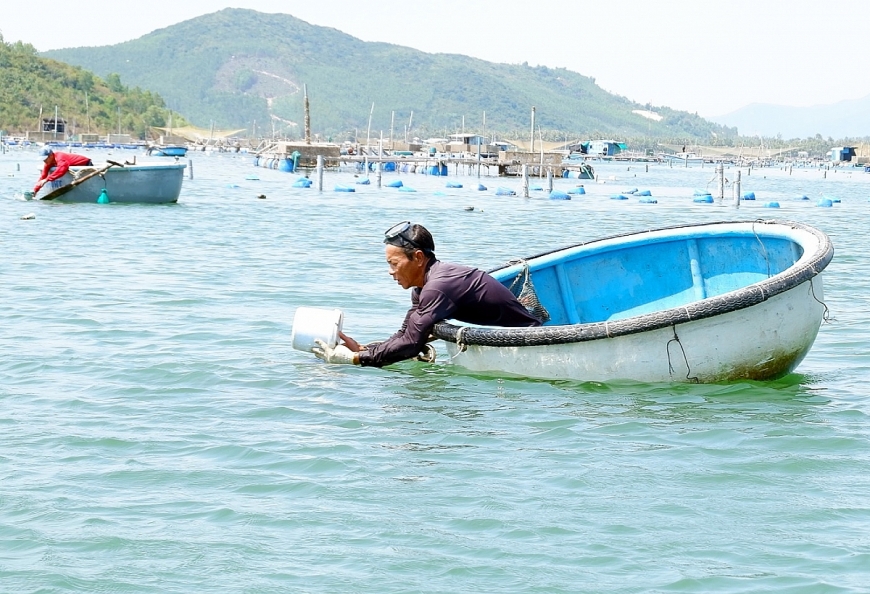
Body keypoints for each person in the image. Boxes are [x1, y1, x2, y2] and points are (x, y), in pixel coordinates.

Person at [313, 221, 542, 367]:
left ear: (419, 258)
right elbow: (407, 333)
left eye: (394, 263)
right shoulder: (424, 286)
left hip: (530, 341)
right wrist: (366, 349)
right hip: (511, 338)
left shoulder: (438, 286)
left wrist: (354, 360)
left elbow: (412, 344)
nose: (390, 271)